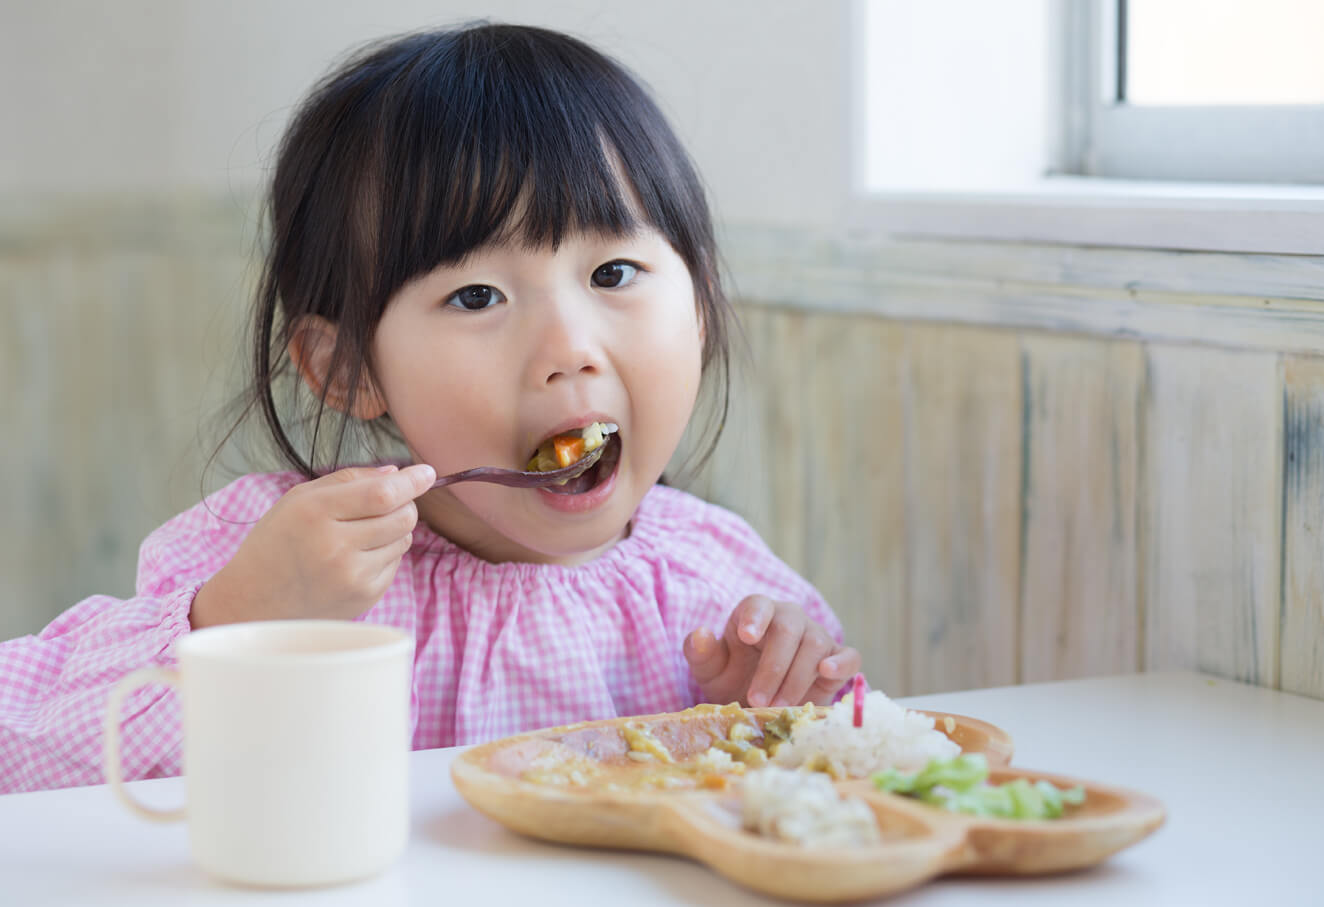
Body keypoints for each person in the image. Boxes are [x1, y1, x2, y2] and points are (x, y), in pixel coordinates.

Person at [0, 23, 859, 794]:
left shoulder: (726, 581)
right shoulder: (284, 558)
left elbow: (867, 779)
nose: (570, 347)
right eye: (478, 295)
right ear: (346, 369)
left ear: (700, 309)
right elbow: (21, 751)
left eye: (613, 275)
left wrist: (760, 713)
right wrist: (238, 621)